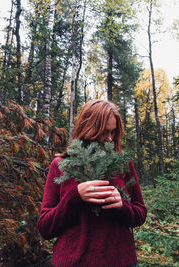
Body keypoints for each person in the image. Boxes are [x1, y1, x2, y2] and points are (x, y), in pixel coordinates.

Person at [37, 99, 147, 267]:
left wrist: (122, 205)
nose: (109, 139)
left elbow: (140, 214)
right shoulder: (60, 165)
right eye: (104, 132)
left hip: (120, 261)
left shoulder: (123, 163)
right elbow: (45, 227)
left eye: (113, 132)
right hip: (72, 262)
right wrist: (75, 197)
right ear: (88, 128)